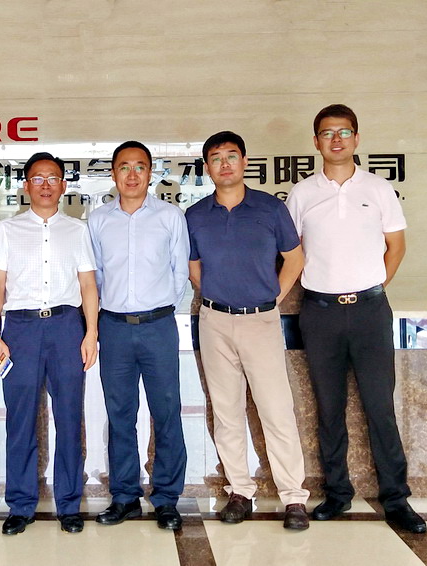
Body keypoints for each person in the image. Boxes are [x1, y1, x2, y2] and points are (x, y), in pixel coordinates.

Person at [286, 104, 426, 533]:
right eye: (328, 133)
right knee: (329, 409)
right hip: (320, 313)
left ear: (357, 139)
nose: (336, 140)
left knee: (380, 408)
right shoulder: (301, 194)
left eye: (344, 132)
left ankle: (396, 499)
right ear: (316, 142)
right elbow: (291, 252)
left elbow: (396, 246)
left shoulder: (379, 189)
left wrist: (374, 286)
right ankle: (337, 494)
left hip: (369, 311)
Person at [185, 131, 310, 530]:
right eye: (216, 158)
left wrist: (273, 297)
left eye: (231, 156)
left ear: (244, 162)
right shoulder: (195, 215)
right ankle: (239, 491)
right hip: (215, 321)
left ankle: (294, 497)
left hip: (261, 320)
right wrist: (220, 298)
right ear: (207, 168)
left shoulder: (270, 209)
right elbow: (194, 269)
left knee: (276, 410)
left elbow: (294, 258)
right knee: (226, 412)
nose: (224, 164)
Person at [0, 152, 99, 535]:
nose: (45, 185)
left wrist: (91, 332)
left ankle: (69, 504)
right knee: (20, 419)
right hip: (20, 329)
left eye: (52, 178)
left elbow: (87, 285)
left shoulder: (77, 230)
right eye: (38, 178)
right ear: (26, 185)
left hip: (67, 327)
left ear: (63, 186)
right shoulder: (7, 230)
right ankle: (20, 504)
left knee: (69, 418)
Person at [88, 141, 189, 531]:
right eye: (124, 167)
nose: (132, 175)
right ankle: (125, 496)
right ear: (113, 173)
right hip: (114, 328)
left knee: (167, 412)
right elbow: (95, 276)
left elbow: (180, 273)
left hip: (158, 326)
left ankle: (166, 498)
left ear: (151, 173)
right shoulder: (98, 220)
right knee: (120, 415)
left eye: (140, 167)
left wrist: (157, 308)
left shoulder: (169, 217)